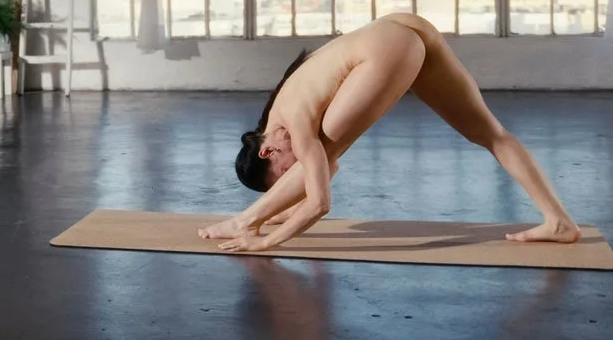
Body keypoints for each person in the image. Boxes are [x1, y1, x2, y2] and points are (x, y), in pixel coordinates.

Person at [198, 13, 580, 252]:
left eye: (284, 171)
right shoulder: (286, 106)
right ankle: (559, 222)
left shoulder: (294, 123)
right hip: (410, 28)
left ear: (267, 152)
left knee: (327, 141)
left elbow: (320, 199)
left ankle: (243, 219)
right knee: (491, 134)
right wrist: (283, 209)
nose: (296, 159)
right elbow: (323, 175)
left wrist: (261, 237)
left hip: (392, 45)